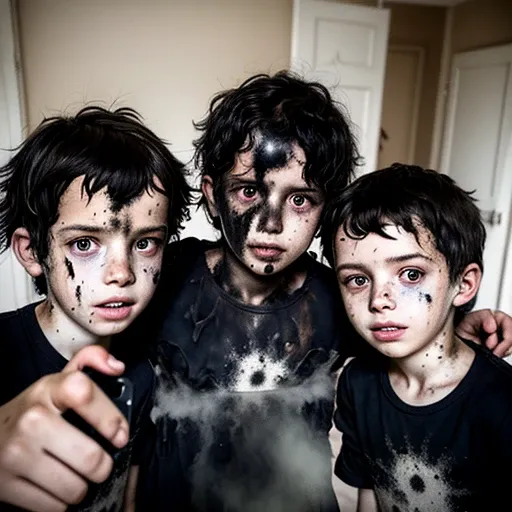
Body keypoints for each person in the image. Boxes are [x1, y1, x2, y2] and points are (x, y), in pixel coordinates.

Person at [133, 72, 512, 511]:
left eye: (300, 200)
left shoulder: (342, 295)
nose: (271, 223)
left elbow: (402, 336)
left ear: (325, 208)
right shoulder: (165, 276)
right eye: (249, 191)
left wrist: (459, 321)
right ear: (214, 196)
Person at [0, 106, 191, 512]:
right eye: (85, 244)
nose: (121, 273)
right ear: (32, 251)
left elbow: (128, 492)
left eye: (144, 243)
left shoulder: (141, 369)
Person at [323, 163, 512, 512]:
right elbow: (370, 494)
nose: (379, 300)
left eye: (411, 274)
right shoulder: (358, 383)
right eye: (358, 279)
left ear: (464, 283)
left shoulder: (500, 403)